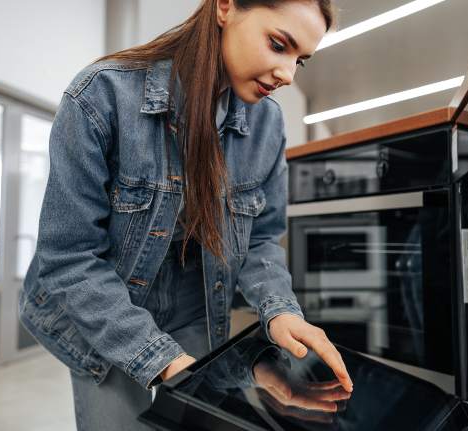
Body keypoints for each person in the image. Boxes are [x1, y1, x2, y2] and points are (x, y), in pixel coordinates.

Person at [18, 1, 353, 429]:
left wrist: (281, 309)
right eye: (277, 44)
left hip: (193, 302)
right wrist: (166, 362)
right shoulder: (100, 96)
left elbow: (260, 239)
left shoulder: (267, 124)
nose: (287, 75)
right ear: (226, 7)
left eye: (299, 60)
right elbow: (69, 259)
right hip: (101, 304)